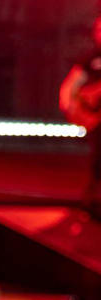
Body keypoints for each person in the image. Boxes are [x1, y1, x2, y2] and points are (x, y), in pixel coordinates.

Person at [59, 15, 101, 217]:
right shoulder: (91, 58)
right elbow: (71, 84)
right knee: (98, 159)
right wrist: (71, 108)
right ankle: (93, 200)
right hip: (97, 121)